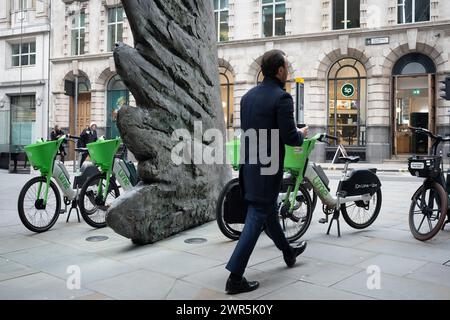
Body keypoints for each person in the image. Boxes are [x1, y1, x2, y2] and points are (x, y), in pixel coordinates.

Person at [225, 50, 309, 295]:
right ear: (280, 71)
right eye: (286, 68)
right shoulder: (282, 98)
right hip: (267, 168)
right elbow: (290, 138)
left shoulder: (247, 97)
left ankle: (288, 252)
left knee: (269, 214)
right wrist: (301, 134)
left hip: (249, 166)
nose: (288, 72)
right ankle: (235, 277)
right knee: (257, 217)